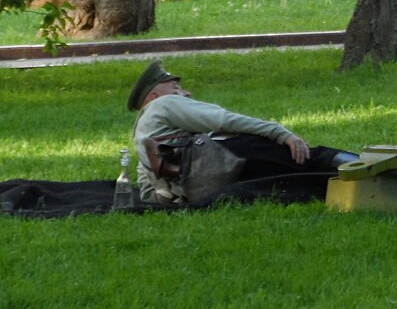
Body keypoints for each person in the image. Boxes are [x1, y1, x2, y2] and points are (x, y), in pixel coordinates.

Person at [128, 59, 358, 205]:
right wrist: (281, 133)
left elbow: (149, 194)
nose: (185, 93)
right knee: (312, 156)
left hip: (202, 186)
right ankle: (370, 166)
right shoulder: (163, 104)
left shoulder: (141, 134)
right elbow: (225, 121)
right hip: (225, 159)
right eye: (175, 87)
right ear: (154, 97)